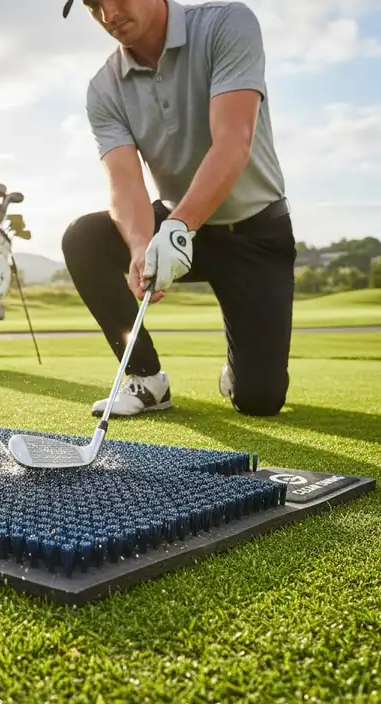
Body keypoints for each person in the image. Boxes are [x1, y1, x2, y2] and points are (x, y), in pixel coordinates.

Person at [60, 0, 297, 418]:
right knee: (84, 238)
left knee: (259, 399)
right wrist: (140, 246)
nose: (108, 14)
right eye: (93, 4)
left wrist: (179, 226)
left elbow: (233, 142)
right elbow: (125, 183)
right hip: (176, 225)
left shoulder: (227, 23)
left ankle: (240, 371)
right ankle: (146, 378)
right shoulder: (104, 87)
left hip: (255, 233)